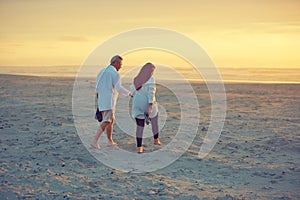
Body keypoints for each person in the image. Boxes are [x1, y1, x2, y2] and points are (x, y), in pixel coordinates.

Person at [91, 55, 131, 149]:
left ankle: (110, 141)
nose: (121, 67)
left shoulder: (101, 71)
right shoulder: (115, 74)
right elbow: (119, 88)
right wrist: (129, 94)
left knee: (111, 120)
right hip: (109, 100)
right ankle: (94, 141)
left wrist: (98, 99)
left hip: (101, 99)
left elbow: (97, 88)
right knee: (107, 121)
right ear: (115, 63)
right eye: (120, 64)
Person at [130, 62, 162, 153]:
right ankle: (156, 140)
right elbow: (151, 93)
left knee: (140, 126)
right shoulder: (151, 79)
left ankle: (139, 147)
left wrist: (132, 94)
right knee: (154, 122)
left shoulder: (136, 79)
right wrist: (150, 107)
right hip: (147, 103)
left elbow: (132, 92)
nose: (152, 73)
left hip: (137, 103)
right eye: (152, 71)